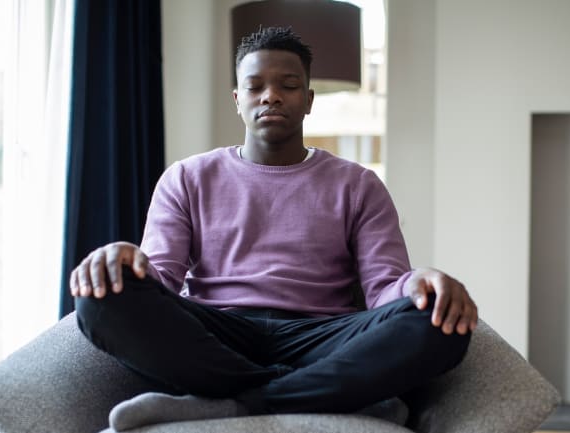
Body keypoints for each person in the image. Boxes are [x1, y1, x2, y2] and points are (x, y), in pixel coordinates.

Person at [71, 26, 477, 429]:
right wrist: (127, 260)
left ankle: (230, 402)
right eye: (254, 86)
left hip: (319, 337)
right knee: (103, 297)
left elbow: (383, 290)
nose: (271, 95)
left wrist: (416, 283)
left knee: (438, 324)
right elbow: (161, 278)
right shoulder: (187, 178)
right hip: (218, 335)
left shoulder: (359, 185)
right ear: (237, 100)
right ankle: (331, 397)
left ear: (309, 100)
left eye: (289, 85)